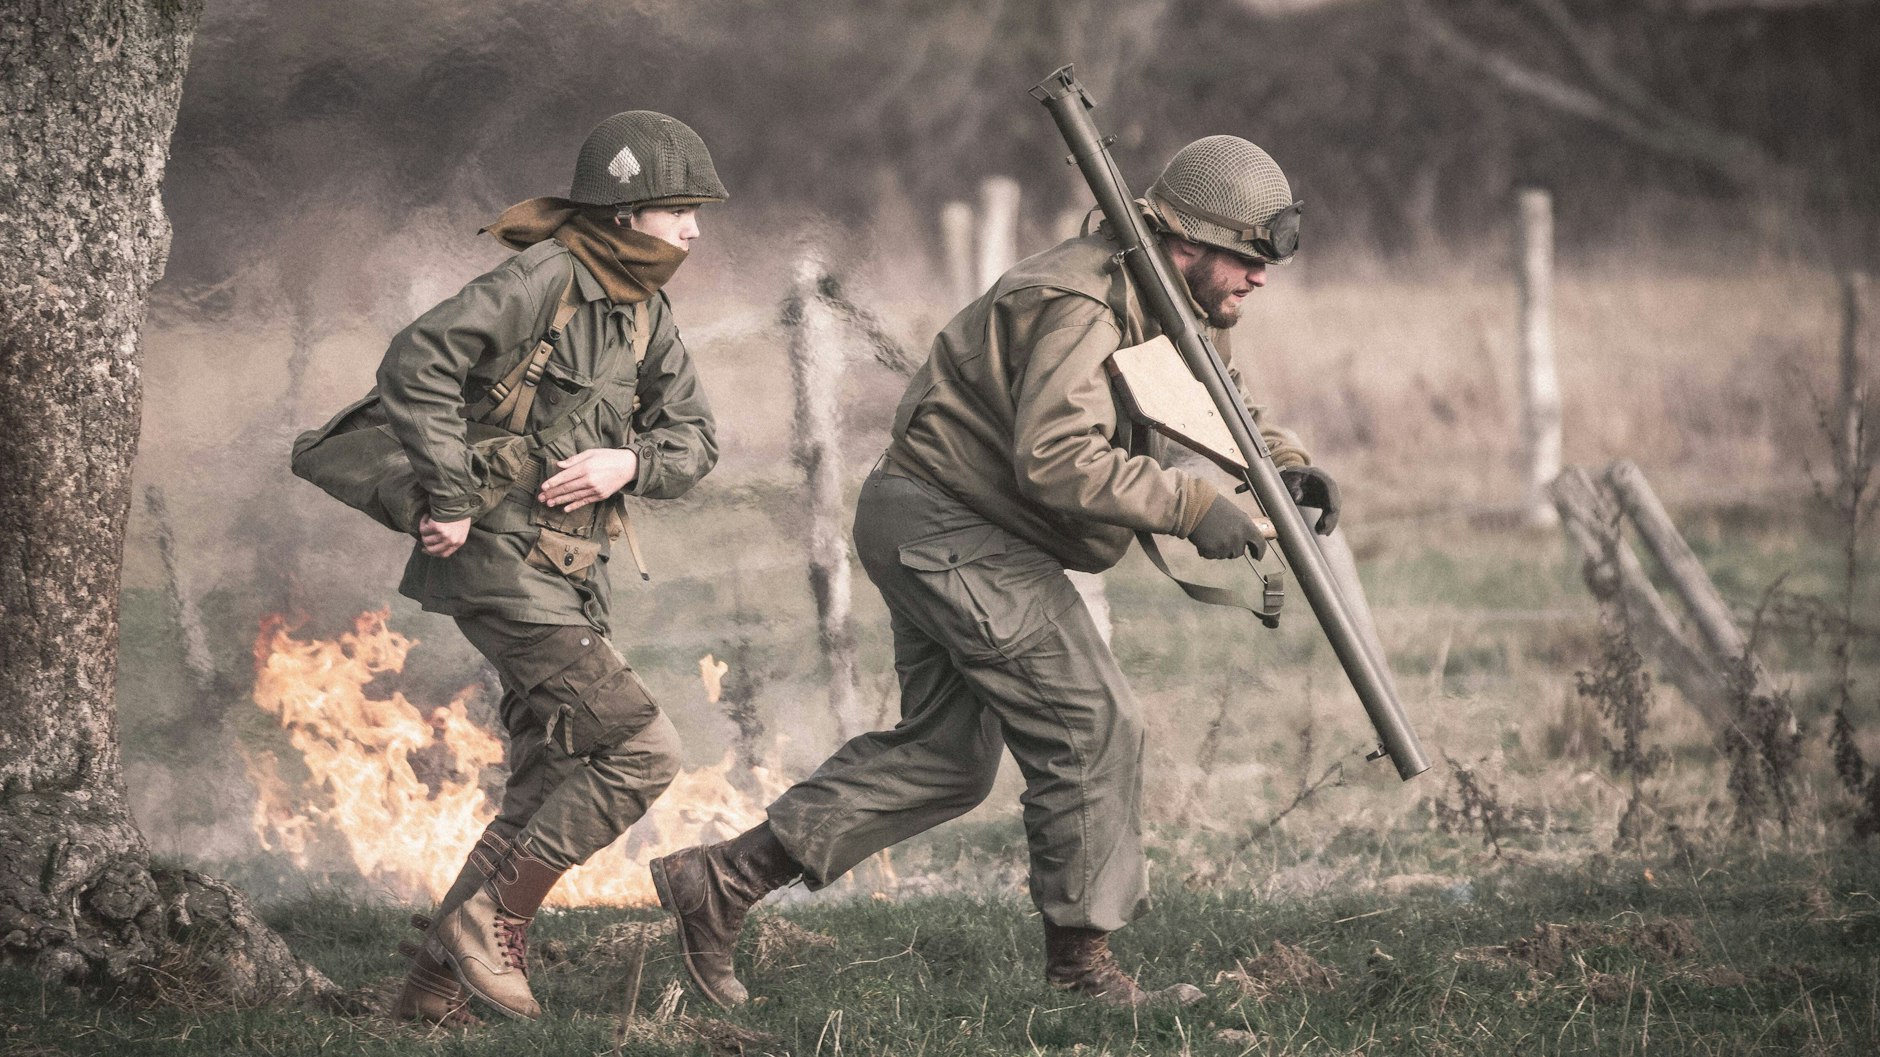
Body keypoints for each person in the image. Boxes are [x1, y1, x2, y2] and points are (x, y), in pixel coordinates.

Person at [650, 136, 1341, 1008]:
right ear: (1188, 244)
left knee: (946, 760)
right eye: (1247, 256)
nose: (1260, 277)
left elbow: (1213, 397)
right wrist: (1194, 507)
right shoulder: (1084, 302)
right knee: (1092, 724)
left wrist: (1282, 465)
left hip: (937, 519)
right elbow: (1058, 459)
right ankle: (1083, 980)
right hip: (950, 527)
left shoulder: (1161, 298)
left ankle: (719, 881)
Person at [381, 111, 726, 1023]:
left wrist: (631, 463)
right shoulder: (545, 276)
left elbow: (695, 436)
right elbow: (417, 361)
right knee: (643, 748)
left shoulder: (643, 305)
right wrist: (448, 494)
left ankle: (428, 999)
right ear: (624, 214)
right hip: (498, 557)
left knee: (544, 778)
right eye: (677, 208)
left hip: (571, 569)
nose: (694, 228)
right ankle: (498, 917)